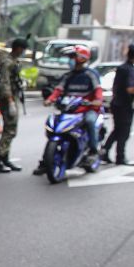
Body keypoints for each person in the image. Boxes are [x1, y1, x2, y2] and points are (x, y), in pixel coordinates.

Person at [34, 44, 102, 175]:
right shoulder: (68, 75)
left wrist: (96, 101)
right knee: (54, 128)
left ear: (82, 58)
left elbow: (98, 91)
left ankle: (93, 152)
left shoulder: (91, 74)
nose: (70, 60)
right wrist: (50, 99)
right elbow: (58, 90)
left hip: (87, 109)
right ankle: (45, 162)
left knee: (89, 122)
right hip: (70, 110)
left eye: (73, 57)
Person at [0, 37, 28, 173]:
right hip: (7, 99)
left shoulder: (14, 61)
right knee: (10, 131)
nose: (23, 51)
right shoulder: (7, 63)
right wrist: (11, 102)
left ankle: (5, 158)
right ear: (18, 48)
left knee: (11, 129)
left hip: (13, 97)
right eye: (22, 49)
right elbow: (4, 83)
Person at [102, 42, 134, 166]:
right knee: (123, 132)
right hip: (124, 105)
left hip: (116, 103)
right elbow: (130, 89)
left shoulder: (122, 68)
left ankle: (104, 151)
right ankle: (120, 157)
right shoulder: (129, 70)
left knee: (117, 130)